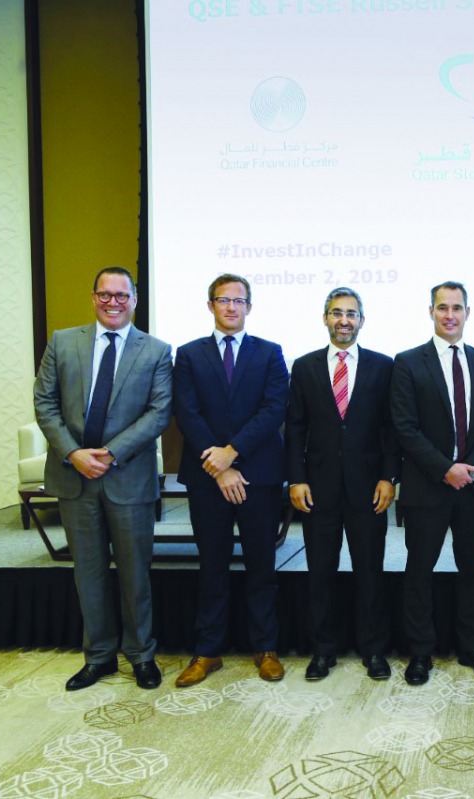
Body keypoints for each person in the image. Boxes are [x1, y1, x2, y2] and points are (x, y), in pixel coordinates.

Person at [32, 266, 172, 691]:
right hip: (74, 478)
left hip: (127, 478)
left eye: (121, 295)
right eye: (105, 295)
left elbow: (159, 412)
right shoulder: (62, 341)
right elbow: (44, 402)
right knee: (88, 574)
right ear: (93, 297)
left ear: (134, 299)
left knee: (134, 575)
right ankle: (99, 658)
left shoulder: (157, 350)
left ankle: (142, 656)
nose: (113, 302)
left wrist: (110, 454)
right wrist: (74, 454)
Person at [172, 274, 288, 687]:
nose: (231, 307)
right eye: (223, 300)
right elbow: (186, 413)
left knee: (262, 565)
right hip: (207, 479)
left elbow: (274, 410)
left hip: (259, 475)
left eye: (239, 301)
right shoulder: (187, 355)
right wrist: (219, 466)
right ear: (210, 306)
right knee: (213, 566)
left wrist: (232, 454)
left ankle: (266, 648)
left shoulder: (270, 353)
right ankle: (207, 652)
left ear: (249, 307)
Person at [391, 281, 474, 686]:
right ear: (431, 312)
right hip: (427, 488)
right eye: (443, 308)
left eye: (457, 308)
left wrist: (468, 466)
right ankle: (420, 653)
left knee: (472, 569)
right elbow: (405, 427)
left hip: (472, 487)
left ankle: (471, 647)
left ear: (467, 313)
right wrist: (445, 469)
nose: (450, 315)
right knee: (419, 571)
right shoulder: (407, 362)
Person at [287, 287, 400, 681]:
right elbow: (295, 428)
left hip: (370, 488)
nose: (344, 320)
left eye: (351, 314)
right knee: (321, 573)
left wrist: (389, 477)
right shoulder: (303, 367)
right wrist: (296, 479)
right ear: (325, 318)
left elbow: (391, 429)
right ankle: (323, 651)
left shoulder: (384, 367)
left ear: (362, 321)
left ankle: (374, 650)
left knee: (371, 572)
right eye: (337, 313)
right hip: (317, 490)